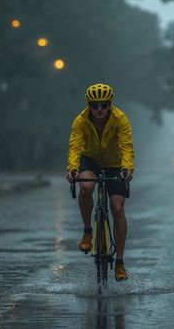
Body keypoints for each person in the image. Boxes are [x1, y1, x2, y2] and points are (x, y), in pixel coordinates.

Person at [66, 83, 134, 281]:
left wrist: (127, 169)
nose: (99, 110)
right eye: (94, 106)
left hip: (115, 163)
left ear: (110, 104)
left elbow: (127, 147)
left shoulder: (120, 119)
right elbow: (75, 147)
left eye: (103, 105)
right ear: (89, 105)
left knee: (117, 208)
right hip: (91, 159)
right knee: (86, 187)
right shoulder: (80, 121)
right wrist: (72, 168)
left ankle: (120, 262)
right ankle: (88, 231)